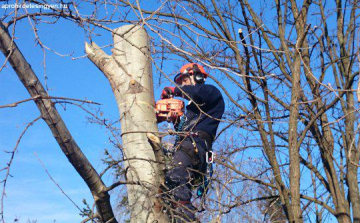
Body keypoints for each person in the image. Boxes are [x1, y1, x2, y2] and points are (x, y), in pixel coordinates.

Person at [161, 63, 225, 222]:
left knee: (175, 177)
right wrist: (176, 121)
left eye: (183, 80)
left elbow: (197, 93)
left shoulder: (210, 92)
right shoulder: (193, 108)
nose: (181, 84)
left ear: (195, 76)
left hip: (195, 144)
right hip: (189, 145)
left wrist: (174, 91)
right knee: (169, 186)